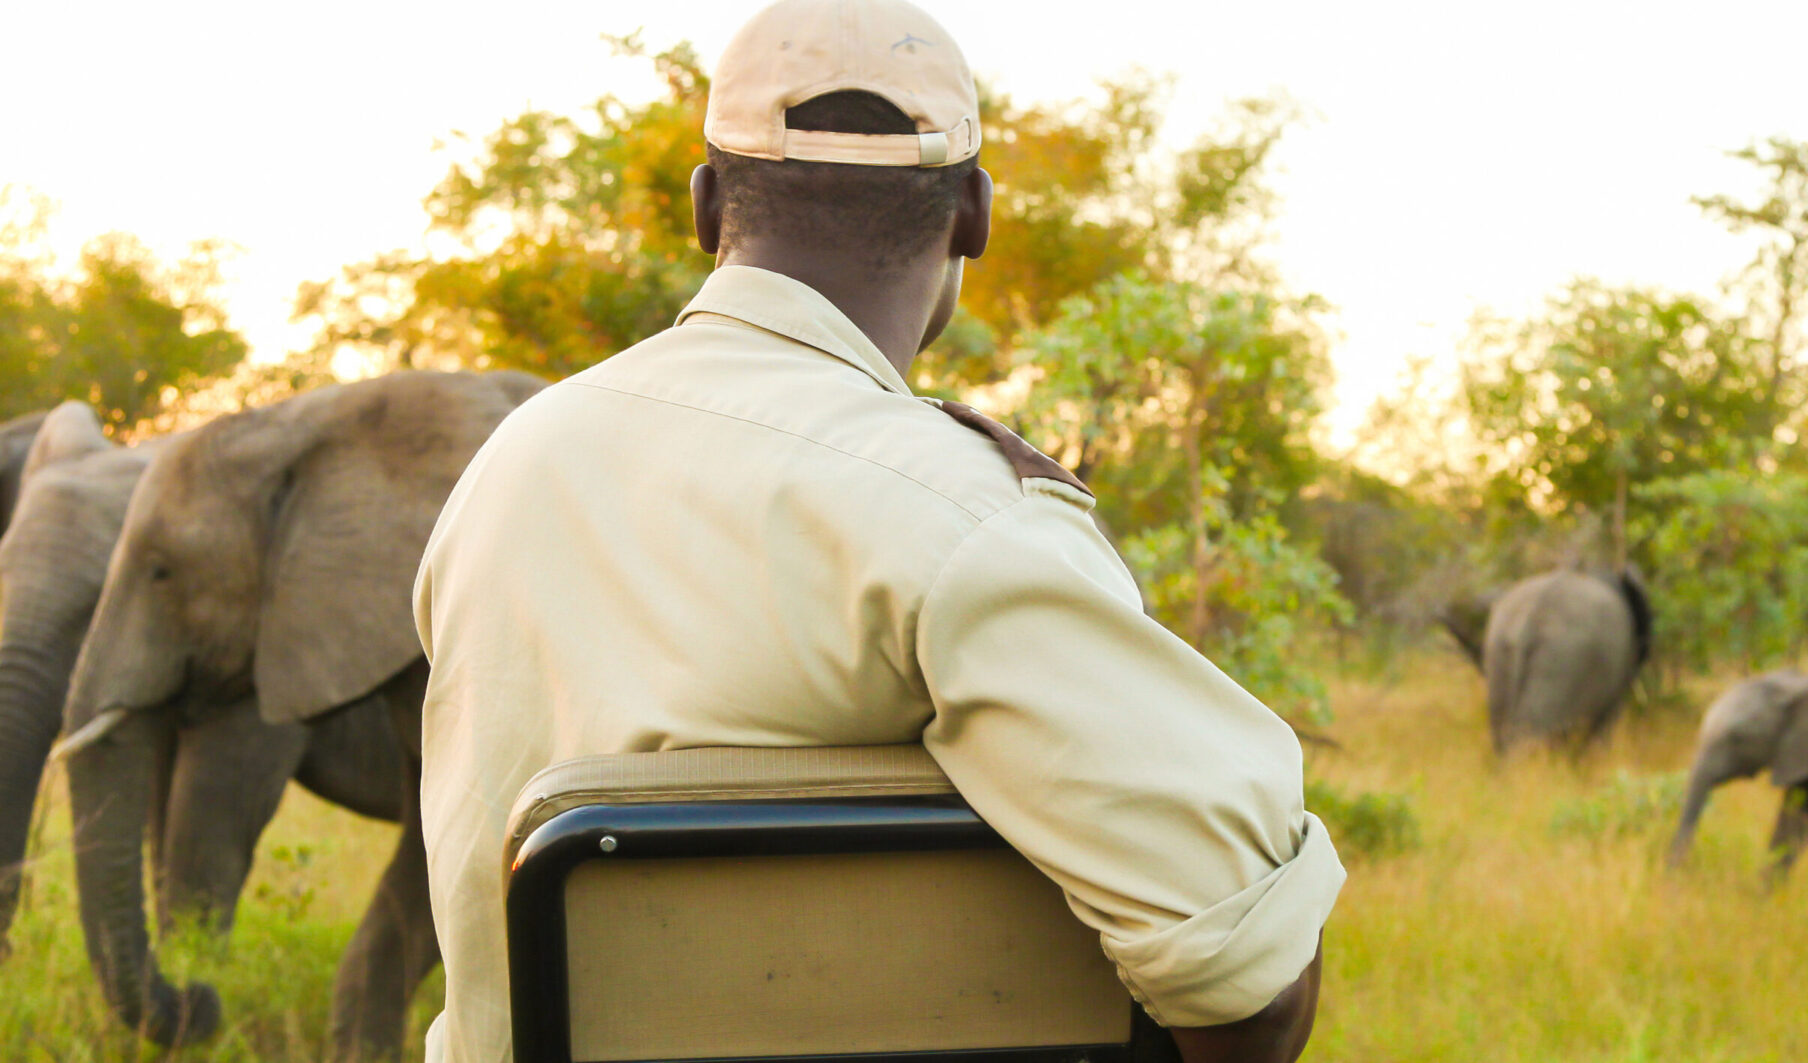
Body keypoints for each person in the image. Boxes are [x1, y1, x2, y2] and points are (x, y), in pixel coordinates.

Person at [411, 1, 1346, 1060]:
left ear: (707, 203)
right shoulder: (965, 516)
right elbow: (1249, 986)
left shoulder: (506, 472)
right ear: (974, 215)